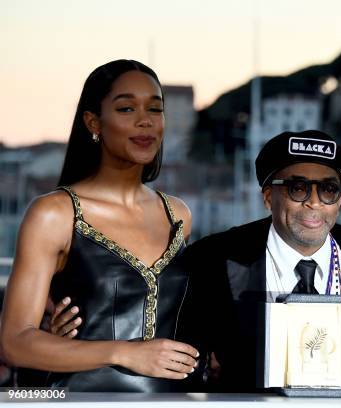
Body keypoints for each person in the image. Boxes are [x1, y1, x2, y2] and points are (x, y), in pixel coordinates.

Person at [0, 59, 199, 392]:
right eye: (125, 109)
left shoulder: (178, 214)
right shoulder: (55, 213)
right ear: (94, 122)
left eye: (155, 109)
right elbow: (14, 342)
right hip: (81, 400)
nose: (145, 121)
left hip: (171, 401)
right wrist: (125, 353)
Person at [180, 130, 341, 391]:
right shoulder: (212, 259)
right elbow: (185, 359)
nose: (315, 203)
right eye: (299, 189)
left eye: (328, 189)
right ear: (269, 197)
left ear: (339, 200)